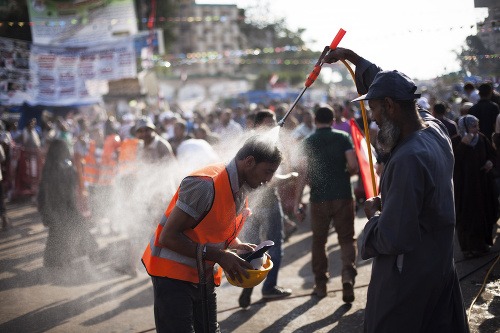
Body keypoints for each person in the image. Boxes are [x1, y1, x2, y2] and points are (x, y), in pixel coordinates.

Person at [323, 47, 469, 332]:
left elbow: (394, 236)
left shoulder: (407, 159)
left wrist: (374, 219)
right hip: (438, 264)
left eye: (374, 109)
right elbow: (390, 84)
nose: (373, 118)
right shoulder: (435, 130)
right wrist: (350, 57)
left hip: (409, 277)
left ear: (389, 106)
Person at [141, 135, 283, 333]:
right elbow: (168, 237)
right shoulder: (205, 185)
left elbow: (211, 226)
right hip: (172, 277)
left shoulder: (241, 187)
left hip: (202, 275)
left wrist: (235, 244)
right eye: (268, 172)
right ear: (249, 162)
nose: (268, 180)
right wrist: (218, 255)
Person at [294, 105, 359, 303]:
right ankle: (347, 276)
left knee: (319, 241)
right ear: (333, 120)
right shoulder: (342, 137)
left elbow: (303, 173)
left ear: (315, 121)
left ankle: (320, 285)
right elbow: (353, 166)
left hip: (318, 198)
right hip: (343, 195)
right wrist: (346, 174)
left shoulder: (308, 141)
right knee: (346, 239)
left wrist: (297, 202)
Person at [238, 110, 293, 309]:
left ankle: (249, 285)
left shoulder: (251, 145)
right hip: (264, 203)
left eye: (274, 123)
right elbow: (270, 178)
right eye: (269, 123)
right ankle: (268, 288)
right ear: (257, 124)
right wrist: (289, 178)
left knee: (253, 246)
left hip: (252, 203)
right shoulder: (262, 147)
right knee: (271, 245)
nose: (273, 126)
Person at [37, 139, 97, 267]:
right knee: (78, 228)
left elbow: (42, 191)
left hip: (52, 208)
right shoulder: (67, 167)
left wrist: (43, 209)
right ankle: (88, 254)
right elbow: (70, 192)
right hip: (65, 207)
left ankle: (54, 262)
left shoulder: (48, 166)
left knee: (56, 235)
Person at [452, 115, 497, 257]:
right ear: (465, 128)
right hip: (464, 187)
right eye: (473, 126)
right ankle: (467, 249)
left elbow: (492, 155)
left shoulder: (482, 139)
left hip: (482, 184)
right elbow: (453, 162)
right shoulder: (456, 141)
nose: (476, 129)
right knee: (466, 216)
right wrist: (463, 145)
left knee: (484, 213)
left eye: (477, 126)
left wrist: (490, 162)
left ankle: (482, 245)